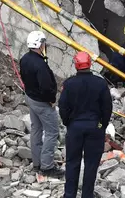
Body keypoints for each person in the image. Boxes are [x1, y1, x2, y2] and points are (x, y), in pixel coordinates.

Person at [59, 52, 112, 198]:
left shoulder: (69, 84)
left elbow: (63, 107)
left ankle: (69, 194)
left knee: (72, 162)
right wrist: (103, 124)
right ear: (90, 64)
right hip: (95, 127)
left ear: (76, 64)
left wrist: (68, 122)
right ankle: (87, 195)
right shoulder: (100, 83)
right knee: (91, 164)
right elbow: (107, 107)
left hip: (75, 127)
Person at [19, 31, 63, 177]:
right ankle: (47, 166)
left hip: (31, 98)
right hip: (42, 102)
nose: (45, 45)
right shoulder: (39, 64)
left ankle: (37, 163)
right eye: (44, 43)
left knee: (36, 129)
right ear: (40, 44)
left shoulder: (25, 59)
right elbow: (45, 87)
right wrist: (51, 100)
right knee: (52, 132)